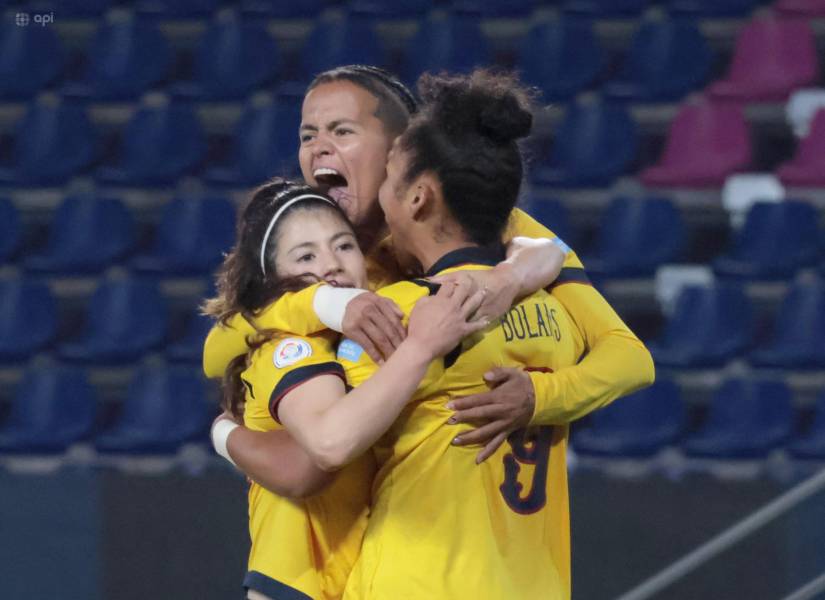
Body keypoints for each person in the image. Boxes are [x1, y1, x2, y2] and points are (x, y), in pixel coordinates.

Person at [203, 64, 654, 462]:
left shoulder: (502, 229)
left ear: (399, 148)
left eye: (342, 132)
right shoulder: (302, 252)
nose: (318, 148)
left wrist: (538, 385)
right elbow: (215, 352)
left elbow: (629, 358)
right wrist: (326, 304)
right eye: (307, 135)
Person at [204, 178, 488, 600]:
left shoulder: (348, 342)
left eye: (343, 246)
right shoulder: (291, 346)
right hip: (301, 588)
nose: (332, 263)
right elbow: (315, 459)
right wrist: (422, 347)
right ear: (274, 277)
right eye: (306, 255)